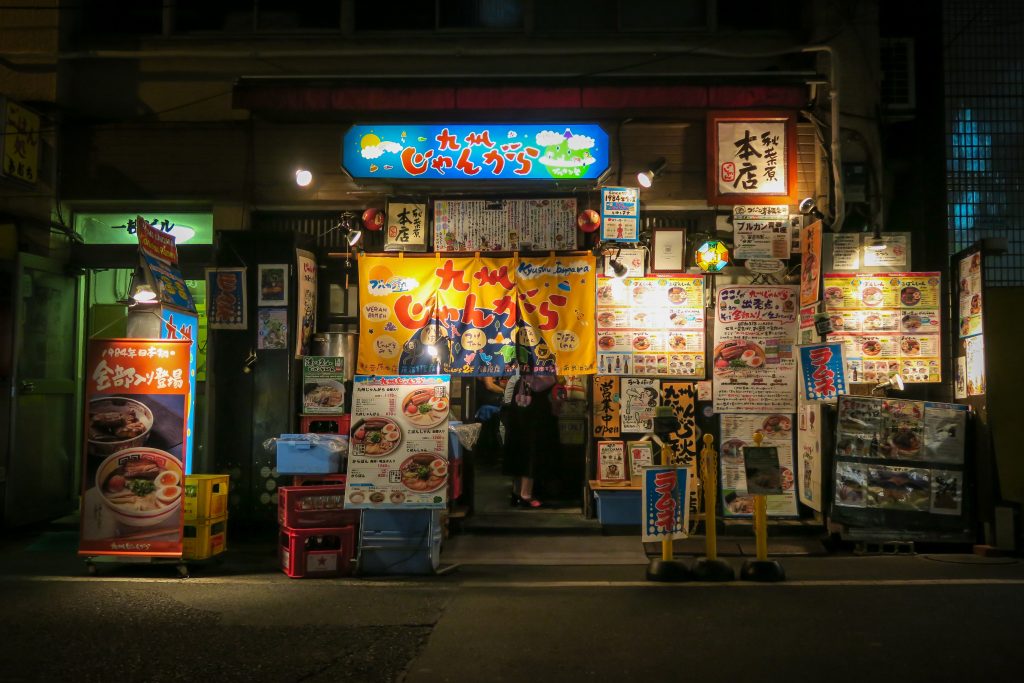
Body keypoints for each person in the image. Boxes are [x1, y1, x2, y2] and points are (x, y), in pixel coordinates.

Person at [501, 370, 559, 508]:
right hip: (534, 413)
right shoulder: (541, 371)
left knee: (519, 449)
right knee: (531, 450)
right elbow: (547, 383)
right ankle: (525, 495)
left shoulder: (520, 376)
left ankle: (516, 493)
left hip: (519, 410)